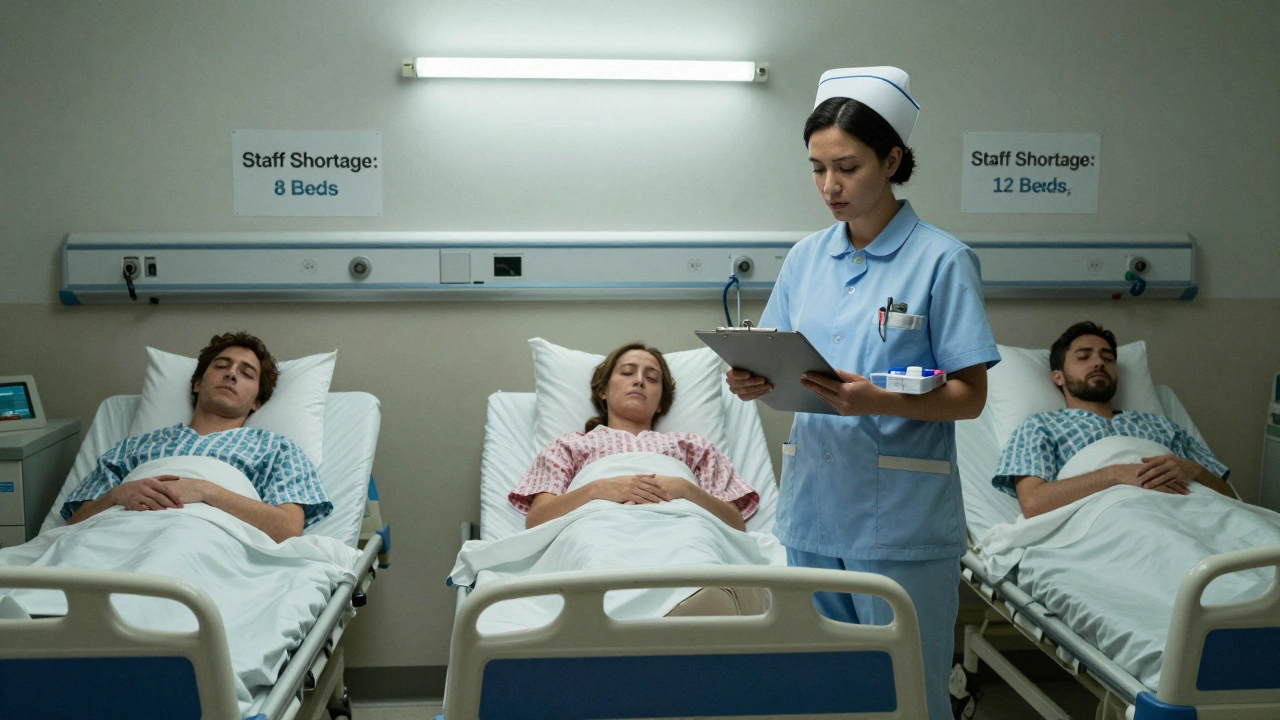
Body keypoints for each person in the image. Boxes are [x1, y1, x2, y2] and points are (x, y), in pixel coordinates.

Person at [725, 67, 1000, 719]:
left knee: (911, 694)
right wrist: (751, 379)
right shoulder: (805, 259)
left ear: (894, 159)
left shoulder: (942, 261)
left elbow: (970, 394)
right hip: (813, 514)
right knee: (826, 693)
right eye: (817, 169)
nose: (830, 186)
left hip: (900, 523)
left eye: (846, 167)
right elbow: (778, 359)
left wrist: (877, 399)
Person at [61, 331, 331, 542]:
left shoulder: (276, 448)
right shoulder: (133, 447)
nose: (230, 374)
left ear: (257, 402)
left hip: (205, 545)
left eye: (246, 373)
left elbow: (286, 529)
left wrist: (206, 490)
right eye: (221, 366)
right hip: (115, 539)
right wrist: (116, 496)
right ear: (198, 383)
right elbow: (73, 526)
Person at [509, 341, 758, 532]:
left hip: (682, 534)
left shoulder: (694, 446)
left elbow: (736, 525)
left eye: (651, 378)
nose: (639, 381)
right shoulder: (569, 446)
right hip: (597, 533)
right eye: (627, 372)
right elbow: (537, 520)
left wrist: (685, 489)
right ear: (602, 391)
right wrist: (599, 488)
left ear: (661, 403)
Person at [993, 321, 1232, 517]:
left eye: (1107, 358)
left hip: (1194, 515)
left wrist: (1195, 470)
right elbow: (1033, 503)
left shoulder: (1162, 425)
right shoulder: (1040, 427)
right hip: (1114, 522)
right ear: (1058, 377)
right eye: (1084, 357)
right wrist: (1113, 475)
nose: (1098, 362)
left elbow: (1231, 498)